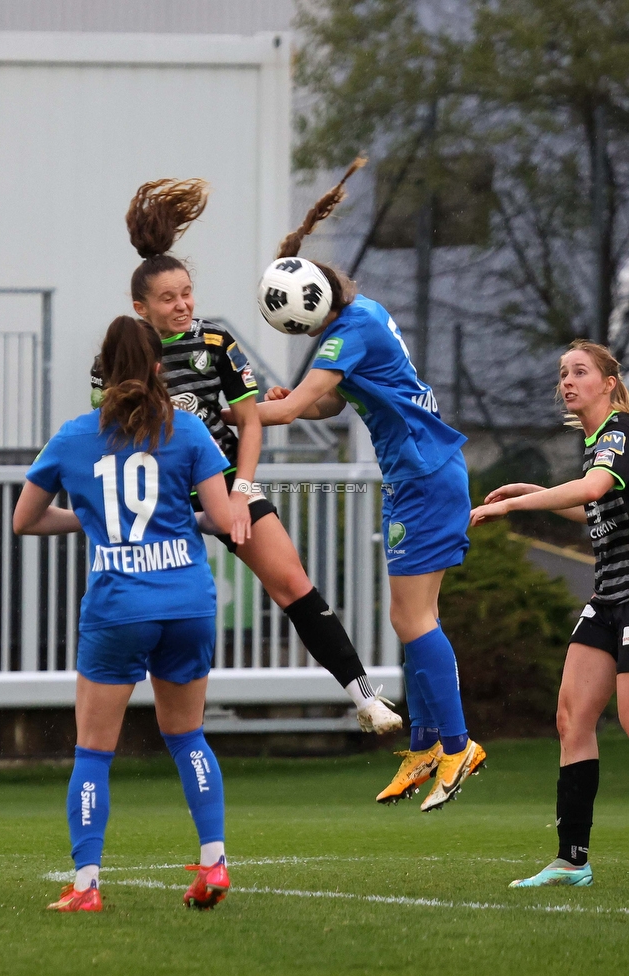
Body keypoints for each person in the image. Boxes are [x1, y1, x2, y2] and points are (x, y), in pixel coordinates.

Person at [90, 177, 402, 735]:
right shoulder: (124, 352)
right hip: (157, 497)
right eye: (168, 298)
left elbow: (251, 419)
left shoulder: (217, 343)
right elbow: (107, 424)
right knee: (144, 606)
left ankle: (364, 697)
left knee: (291, 580)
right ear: (141, 307)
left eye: (187, 292)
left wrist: (241, 487)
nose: (183, 304)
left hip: (224, 480)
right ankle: (120, 729)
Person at [248, 164, 486, 812]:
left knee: (414, 619)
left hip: (425, 474)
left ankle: (459, 746)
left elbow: (298, 408)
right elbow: (324, 405)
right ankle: (428, 746)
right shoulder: (359, 315)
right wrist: (289, 400)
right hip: (421, 473)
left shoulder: (349, 332)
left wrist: (232, 409)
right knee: (408, 619)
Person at [14, 316, 233, 912]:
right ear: (160, 369)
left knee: (93, 752)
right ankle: (214, 864)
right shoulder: (187, 431)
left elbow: (24, 519)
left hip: (117, 608)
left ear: (102, 375)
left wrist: (89, 520)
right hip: (187, 601)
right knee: (188, 736)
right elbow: (222, 518)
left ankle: (86, 886)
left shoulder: (72, 436)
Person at [471, 339, 629, 887]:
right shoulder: (594, 442)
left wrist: (515, 505)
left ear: (608, 382)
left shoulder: (620, 432)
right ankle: (572, 860)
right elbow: (594, 509)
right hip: (607, 598)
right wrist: (535, 491)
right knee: (571, 720)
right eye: (563, 372)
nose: (567, 380)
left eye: (580, 371)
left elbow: (593, 488)